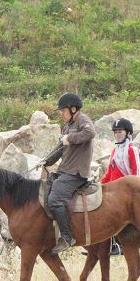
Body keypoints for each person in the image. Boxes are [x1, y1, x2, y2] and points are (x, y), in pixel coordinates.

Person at [42, 93, 96, 253]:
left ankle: (67, 237)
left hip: (76, 173)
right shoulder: (68, 126)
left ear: (73, 109)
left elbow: (90, 133)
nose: (61, 113)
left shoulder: (83, 120)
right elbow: (60, 149)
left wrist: (70, 138)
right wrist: (46, 161)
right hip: (65, 170)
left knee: (55, 200)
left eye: (63, 110)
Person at [100, 118, 140, 255]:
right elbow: (109, 173)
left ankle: (117, 245)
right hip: (112, 190)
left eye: (120, 131)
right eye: (115, 132)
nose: (117, 134)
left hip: (125, 191)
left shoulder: (132, 149)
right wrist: (99, 184)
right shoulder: (115, 151)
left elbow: (136, 173)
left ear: (128, 133)